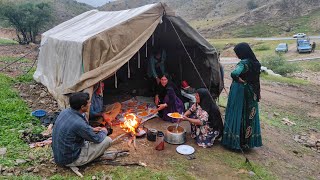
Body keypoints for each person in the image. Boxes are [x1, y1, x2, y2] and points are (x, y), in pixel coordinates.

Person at [52, 92, 112, 167]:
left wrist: (91, 129)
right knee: (107, 140)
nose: (90, 104)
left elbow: (79, 128)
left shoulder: (65, 112)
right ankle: (81, 160)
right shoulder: (79, 123)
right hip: (69, 159)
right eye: (88, 103)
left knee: (89, 136)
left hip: (60, 155)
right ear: (82, 107)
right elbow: (97, 139)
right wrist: (104, 131)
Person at [221, 42, 262, 150]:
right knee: (249, 116)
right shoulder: (256, 63)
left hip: (240, 91)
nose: (237, 55)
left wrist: (239, 80)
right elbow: (256, 81)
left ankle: (234, 142)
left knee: (237, 112)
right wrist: (258, 93)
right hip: (252, 92)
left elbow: (234, 73)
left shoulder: (243, 63)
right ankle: (248, 143)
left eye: (237, 53)